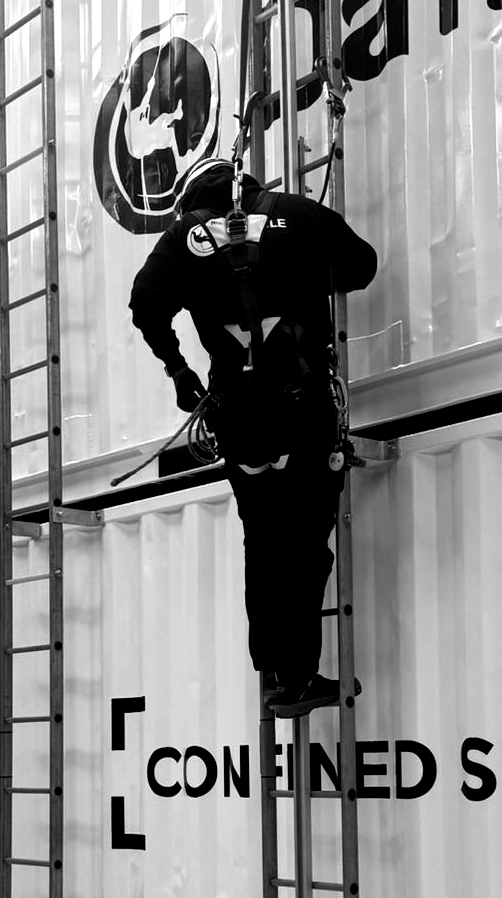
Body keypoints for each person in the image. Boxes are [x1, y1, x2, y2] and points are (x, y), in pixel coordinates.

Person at [128, 157, 378, 714]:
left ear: (197, 197)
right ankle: (298, 676)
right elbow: (362, 266)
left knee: (263, 541)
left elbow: (145, 304)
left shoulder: (183, 236)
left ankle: (273, 675)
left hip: (239, 419)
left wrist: (179, 370)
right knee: (307, 545)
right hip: (301, 409)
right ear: (248, 186)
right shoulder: (297, 213)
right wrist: (305, 264)